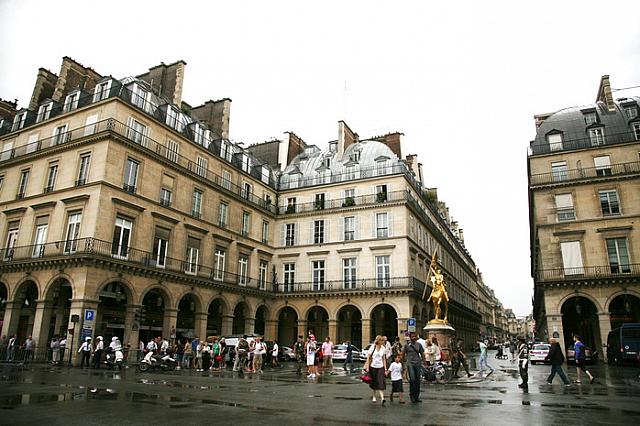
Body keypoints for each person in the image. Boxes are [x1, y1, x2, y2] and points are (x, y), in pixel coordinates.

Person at [402, 332, 425, 403]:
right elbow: (403, 353)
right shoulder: (407, 345)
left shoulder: (419, 345)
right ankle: (412, 396)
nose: (414, 338)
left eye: (415, 336)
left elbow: (422, 353)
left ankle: (416, 397)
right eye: (412, 336)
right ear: (410, 337)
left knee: (418, 380)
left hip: (417, 363)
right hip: (410, 363)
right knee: (412, 379)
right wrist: (404, 362)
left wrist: (424, 361)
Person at [364, 335, 388, 404]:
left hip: (380, 367)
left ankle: (382, 398)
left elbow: (383, 359)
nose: (383, 342)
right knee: (374, 382)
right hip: (373, 367)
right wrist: (368, 367)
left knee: (380, 382)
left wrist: (385, 368)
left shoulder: (383, 348)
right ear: (379, 341)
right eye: (382, 340)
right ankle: (374, 396)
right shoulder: (373, 347)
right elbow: (368, 357)